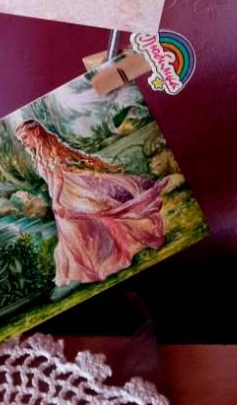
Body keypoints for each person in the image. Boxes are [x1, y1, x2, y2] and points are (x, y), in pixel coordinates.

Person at [16, 119, 168, 287]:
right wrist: (55, 200)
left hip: (71, 191)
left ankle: (115, 254)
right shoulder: (40, 155)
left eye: (25, 137)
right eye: (21, 140)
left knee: (91, 222)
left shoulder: (48, 151)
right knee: (80, 229)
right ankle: (97, 264)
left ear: (36, 132)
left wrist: (56, 201)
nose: (23, 142)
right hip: (65, 194)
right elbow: (54, 177)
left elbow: (57, 178)